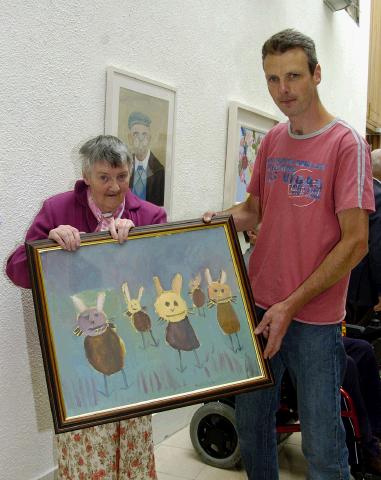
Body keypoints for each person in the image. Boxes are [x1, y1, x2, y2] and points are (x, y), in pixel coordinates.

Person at [204, 29, 374, 479]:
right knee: (254, 427)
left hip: (314, 320)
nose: (284, 90)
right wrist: (214, 222)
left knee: (321, 442)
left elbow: (356, 241)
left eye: (294, 76)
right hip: (259, 306)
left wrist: (291, 304)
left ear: (317, 75)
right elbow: (253, 210)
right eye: (273, 79)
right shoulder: (274, 140)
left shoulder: (346, 145)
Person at [6, 135, 166, 479]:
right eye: (104, 177)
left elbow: (162, 280)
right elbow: (16, 270)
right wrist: (45, 244)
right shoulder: (57, 210)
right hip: (77, 354)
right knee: (85, 447)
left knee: (132, 442)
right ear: (86, 175)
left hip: (133, 353)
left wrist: (138, 244)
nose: (114, 186)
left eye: (122, 176)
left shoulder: (151, 214)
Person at [346, 148, 381, 325]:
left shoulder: (353, 190)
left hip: (341, 275)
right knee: (359, 336)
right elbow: (377, 247)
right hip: (363, 285)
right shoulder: (380, 197)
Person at [127, 111, 165, 206]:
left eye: (144, 134)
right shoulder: (124, 166)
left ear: (150, 138)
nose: (140, 139)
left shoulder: (159, 171)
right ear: (129, 138)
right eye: (136, 134)